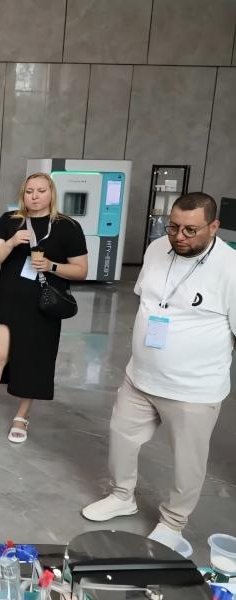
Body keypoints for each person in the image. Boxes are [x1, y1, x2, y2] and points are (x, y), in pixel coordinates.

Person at [82, 193, 236, 547]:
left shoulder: (230, 268)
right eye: (173, 227)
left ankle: (173, 522)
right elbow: (149, 301)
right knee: (121, 438)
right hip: (140, 377)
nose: (180, 236)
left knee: (187, 461)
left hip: (194, 390)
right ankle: (122, 496)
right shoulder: (156, 250)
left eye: (191, 230)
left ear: (214, 226)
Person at [0, 173, 87, 444]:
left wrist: (52, 266)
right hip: (10, 303)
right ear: (23, 194)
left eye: (41, 190)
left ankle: (22, 416)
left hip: (43, 307)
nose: (35, 196)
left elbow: (81, 270)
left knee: (34, 360)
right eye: (29, 191)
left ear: (51, 193)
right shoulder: (10, 221)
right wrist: (10, 243)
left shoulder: (67, 227)